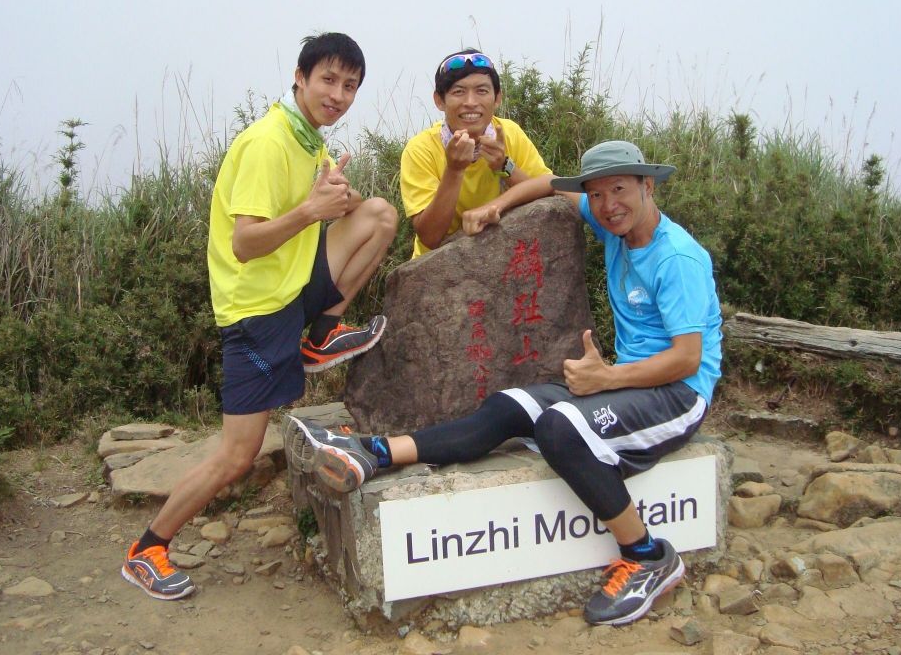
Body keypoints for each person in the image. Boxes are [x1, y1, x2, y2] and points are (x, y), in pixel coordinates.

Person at [288, 140, 722, 627]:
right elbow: (552, 185)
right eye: (597, 195)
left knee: (560, 428)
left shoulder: (677, 259)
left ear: (647, 185)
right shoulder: (611, 222)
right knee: (509, 406)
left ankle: (645, 555)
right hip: (626, 386)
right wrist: (496, 201)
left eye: (619, 190)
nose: (607, 204)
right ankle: (377, 452)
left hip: (678, 395)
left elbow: (687, 359)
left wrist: (607, 377)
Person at [122, 33, 398, 600]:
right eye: (329, 80)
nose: (339, 95)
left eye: (350, 86)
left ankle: (321, 334)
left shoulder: (307, 139)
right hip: (255, 311)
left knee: (376, 215)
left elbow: (315, 216)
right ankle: (148, 548)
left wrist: (334, 204)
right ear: (299, 77)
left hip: (292, 288)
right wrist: (311, 211)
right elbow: (245, 243)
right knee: (237, 455)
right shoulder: (268, 141)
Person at [399, 48, 553, 258]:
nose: (471, 102)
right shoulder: (421, 149)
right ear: (439, 101)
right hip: (435, 267)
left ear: (497, 98)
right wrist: (454, 170)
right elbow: (430, 237)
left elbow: (547, 187)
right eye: (458, 91)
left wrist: (504, 166)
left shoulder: (509, 134)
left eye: (482, 91)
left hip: (504, 256)